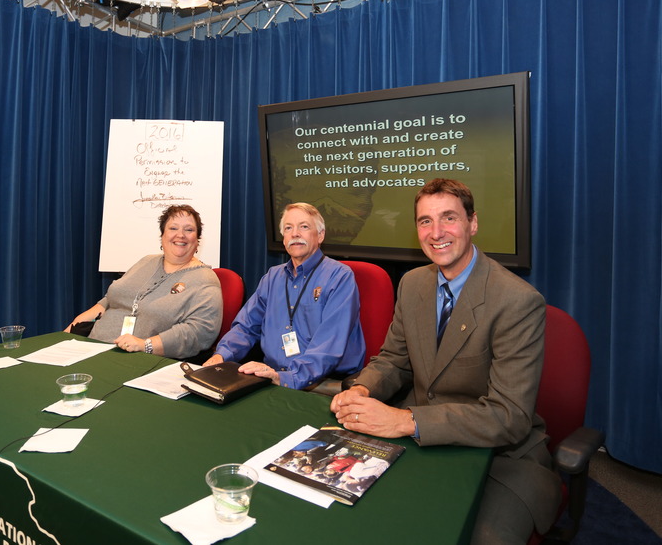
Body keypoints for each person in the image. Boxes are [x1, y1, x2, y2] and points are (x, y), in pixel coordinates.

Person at [329, 179, 561, 544]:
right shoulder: (412, 284)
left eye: (449, 218)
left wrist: (404, 420)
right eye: (425, 221)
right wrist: (361, 390)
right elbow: (394, 360)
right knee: (365, 514)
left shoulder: (517, 301)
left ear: (473, 223)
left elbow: (509, 416)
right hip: (420, 440)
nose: (436, 232)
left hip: (500, 457)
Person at [203, 202, 365, 390]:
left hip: (323, 383)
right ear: (283, 237)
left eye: (304, 227)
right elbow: (246, 326)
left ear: (320, 235)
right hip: (272, 375)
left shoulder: (339, 277)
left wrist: (286, 378)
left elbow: (327, 348)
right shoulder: (272, 277)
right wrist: (221, 356)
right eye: (288, 228)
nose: (295, 233)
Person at [65, 204, 222, 360]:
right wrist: (72, 329)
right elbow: (110, 299)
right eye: (173, 228)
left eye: (189, 230)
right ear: (162, 235)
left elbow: (200, 332)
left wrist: (145, 345)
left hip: (139, 359)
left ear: (197, 239)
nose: (180, 235)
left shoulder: (205, 279)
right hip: (92, 347)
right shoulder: (146, 261)